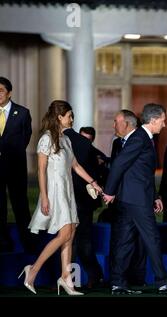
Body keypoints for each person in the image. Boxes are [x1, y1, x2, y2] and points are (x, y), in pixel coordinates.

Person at [103, 104, 167, 295]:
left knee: (124, 241)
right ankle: (163, 282)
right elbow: (119, 163)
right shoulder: (140, 138)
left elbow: (141, 173)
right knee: (152, 239)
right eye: (163, 120)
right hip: (136, 201)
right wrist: (109, 191)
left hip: (132, 199)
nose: (164, 124)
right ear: (153, 120)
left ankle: (118, 284)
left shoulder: (142, 138)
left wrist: (155, 196)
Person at [19, 100, 102, 295]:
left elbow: (76, 166)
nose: (72, 119)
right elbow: (40, 171)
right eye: (69, 116)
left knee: (71, 232)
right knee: (64, 234)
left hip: (68, 190)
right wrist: (45, 197)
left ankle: (66, 278)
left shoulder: (65, 139)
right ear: (59, 117)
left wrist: (93, 183)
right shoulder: (46, 139)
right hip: (54, 192)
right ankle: (33, 270)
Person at [104, 109, 147, 288]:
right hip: (121, 200)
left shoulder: (141, 140)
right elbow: (115, 168)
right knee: (121, 242)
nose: (113, 125)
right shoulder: (117, 143)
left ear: (127, 124)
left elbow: (145, 173)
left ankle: (136, 281)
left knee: (138, 243)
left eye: (116, 121)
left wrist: (155, 196)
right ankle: (118, 282)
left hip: (136, 199)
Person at [64, 123, 104, 289]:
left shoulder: (92, 153)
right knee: (72, 242)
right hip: (73, 199)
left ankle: (94, 276)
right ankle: (73, 279)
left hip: (81, 201)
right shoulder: (77, 147)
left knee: (81, 242)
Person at [0, 76, 33, 253]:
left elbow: (25, 139)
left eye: (1, 91)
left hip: (15, 168)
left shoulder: (22, 113)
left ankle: (27, 242)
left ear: (9, 93)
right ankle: (4, 243)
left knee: (20, 206)